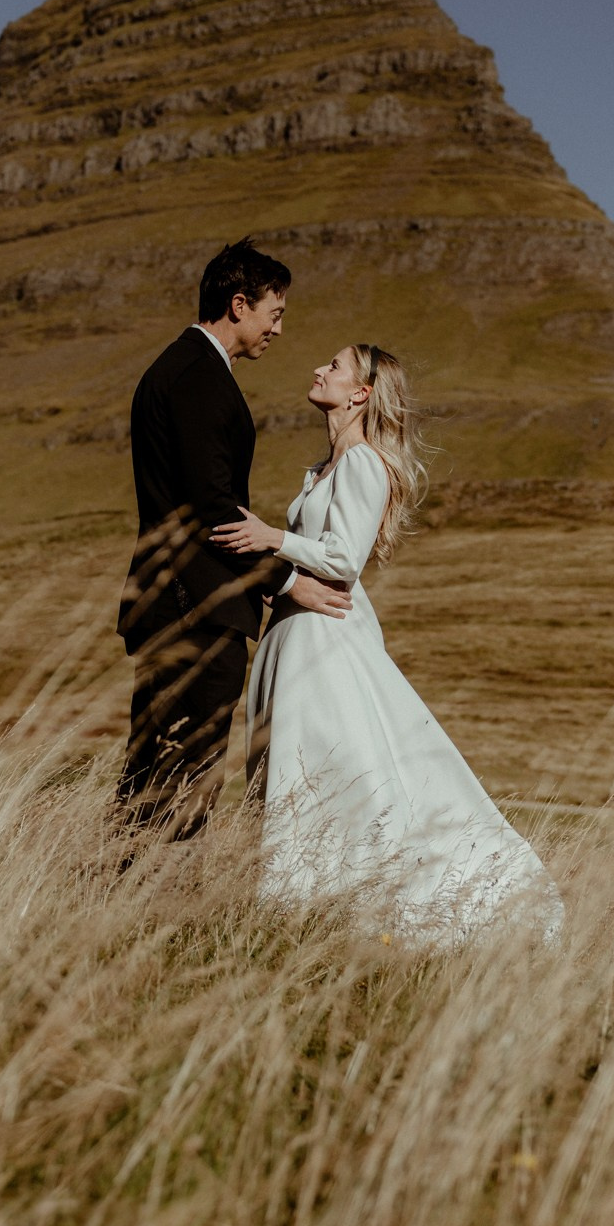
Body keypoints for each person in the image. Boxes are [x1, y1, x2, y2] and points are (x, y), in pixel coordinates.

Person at [215, 345, 562, 942]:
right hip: (294, 632)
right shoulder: (325, 466)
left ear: (361, 394)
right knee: (296, 769)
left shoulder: (363, 464)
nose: (319, 368)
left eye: (336, 366)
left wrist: (271, 538)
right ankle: (297, 905)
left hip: (324, 638)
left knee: (332, 762)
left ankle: (347, 901)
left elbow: (344, 560)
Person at [115, 238, 352, 843]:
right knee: (182, 773)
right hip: (193, 606)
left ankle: (124, 904)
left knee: (157, 772)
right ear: (239, 304)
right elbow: (213, 512)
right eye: (274, 313)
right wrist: (290, 581)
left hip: (180, 603)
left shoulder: (187, 368)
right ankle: (153, 911)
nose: (278, 330)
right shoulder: (196, 377)